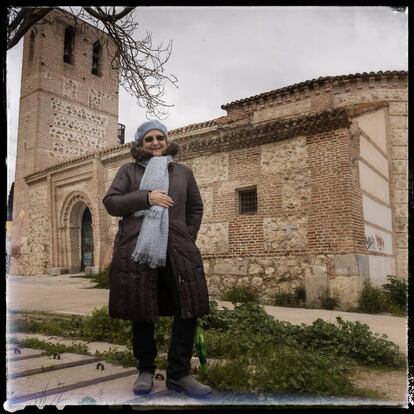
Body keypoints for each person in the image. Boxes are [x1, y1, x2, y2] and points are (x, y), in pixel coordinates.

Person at [102, 119, 212, 398]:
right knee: (142, 312)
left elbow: (196, 207)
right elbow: (111, 202)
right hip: (139, 250)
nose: (154, 143)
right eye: (148, 139)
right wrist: (147, 197)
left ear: (166, 140)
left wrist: (186, 235)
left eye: (158, 138)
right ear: (140, 144)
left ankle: (179, 374)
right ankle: (145, 370)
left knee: (188, 308)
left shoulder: (183, 172)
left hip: (177, 252)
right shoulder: (128, 171)